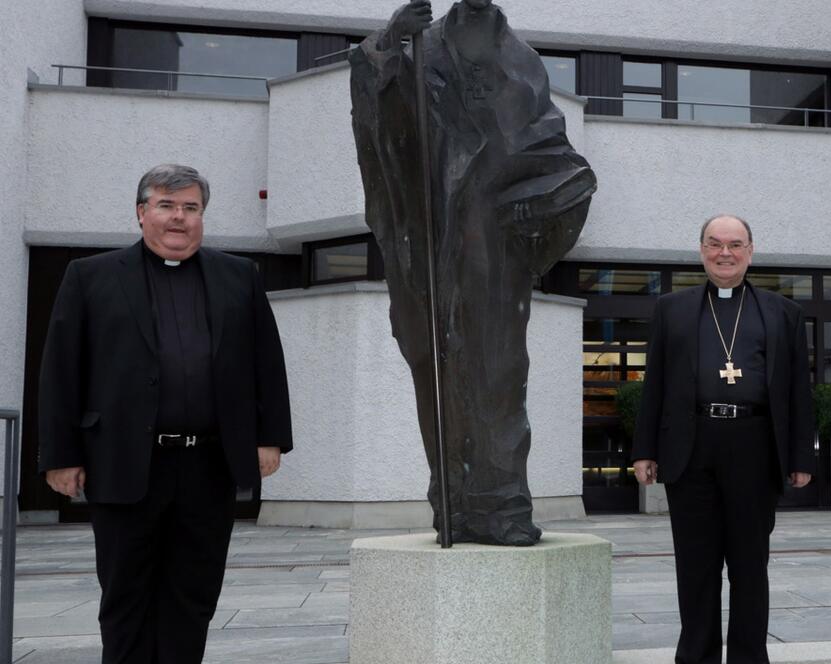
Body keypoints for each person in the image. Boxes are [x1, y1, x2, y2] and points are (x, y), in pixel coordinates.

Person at [350, 0, 596, 545]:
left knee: (499, 373)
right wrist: (390, 45)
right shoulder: (418, 44)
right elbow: (378, 113)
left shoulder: (522, 59)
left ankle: (502, 506)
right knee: (435, 368)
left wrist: (552, 193)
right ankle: (454, 503)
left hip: (494, 243)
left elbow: (550, 145)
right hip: (430, 234)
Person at [38, 164, 293, 664]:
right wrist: (59, 455)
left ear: (202, 216)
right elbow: (61, 370)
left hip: (208, 466)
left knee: (193, 598)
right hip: (124, 464)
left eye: (190, 208)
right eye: (166, 205)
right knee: (126, 598)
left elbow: (267, 360)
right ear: (141, 213)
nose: (179, 218)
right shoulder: (90, 277)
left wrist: (270, 437)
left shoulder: (238, 275)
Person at [632, 214, 815, 664]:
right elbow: (653, 382)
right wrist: (644, 449)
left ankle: (750, 658)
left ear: (751, 251)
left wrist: (800, 455)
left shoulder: (782, 312)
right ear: (701, 251)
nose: (725, 253)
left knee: (750, 567)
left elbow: (798, 391)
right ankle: (696, 657)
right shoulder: (671, 309)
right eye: (715, 244)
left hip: (754, 447)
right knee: (696, 567)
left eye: (735, 244)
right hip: (691, 448)